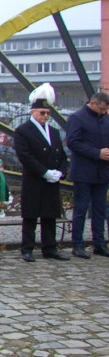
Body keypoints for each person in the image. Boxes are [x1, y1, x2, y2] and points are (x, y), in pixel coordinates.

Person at [13, 84, 70, 262]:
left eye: (47, 113)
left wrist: (60, 172)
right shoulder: (23, 130)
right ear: (33, 113)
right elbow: (25, 156)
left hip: (51, 180)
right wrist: (45, 172)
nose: (45, 116)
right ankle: (27, 248)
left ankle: (50, 248)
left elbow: (61, 154)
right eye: (41, 113)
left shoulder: (53, 131)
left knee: (49, 215)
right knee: (30, 216)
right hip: (35, 179)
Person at [65, 92, 109, 259]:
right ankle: (77, 244)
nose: (104, 112)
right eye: (103, 109)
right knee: (81, 209)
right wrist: (97, 153)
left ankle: (99, 243)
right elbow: (73, 142)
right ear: (93, 103)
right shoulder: (77, 118)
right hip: (84, 171)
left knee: (100, 210)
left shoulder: (105, 118)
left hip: (102, 172)